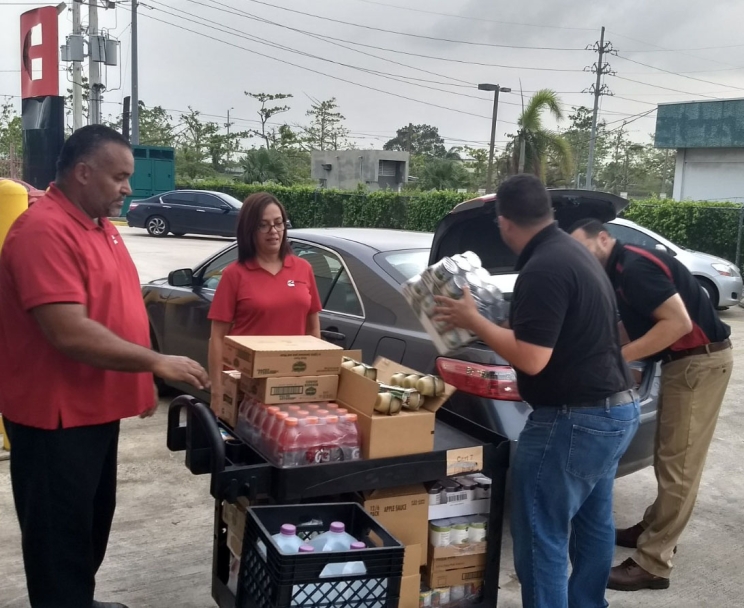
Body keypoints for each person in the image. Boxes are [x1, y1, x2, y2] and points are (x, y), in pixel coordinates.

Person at [0, 125, 210, 608]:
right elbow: (68, 331)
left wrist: (134, 387)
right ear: (82, 172)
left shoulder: (95, 227)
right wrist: (156, 361)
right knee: (59, 541)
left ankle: (78, 599)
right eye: (119, 177)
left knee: (90, 525)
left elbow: (112, 307)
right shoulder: (44, 230)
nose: (128, 189)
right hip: (56, 420)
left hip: (93, 411)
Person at [434, 174, 639, 608]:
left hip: (573, 421)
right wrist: (494, 321)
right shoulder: (572, 254)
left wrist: (474, 322)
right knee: (592, 524)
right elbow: (547, 335)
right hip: (614, 412)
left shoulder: (543, 267)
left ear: (504, 222)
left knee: (539, 535)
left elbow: (531, 359)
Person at [570, 219, 733, 591]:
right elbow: (637, 325)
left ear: (604, 238)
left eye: (585, 247)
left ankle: (653, 563)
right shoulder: (620, 274)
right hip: (686, 364)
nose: (581, 257)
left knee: (680, 466)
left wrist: (619, 357)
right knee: (669, 456)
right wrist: (598, 346)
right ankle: (651, 527)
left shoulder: (634, 267)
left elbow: (676, 323)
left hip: (698, 363)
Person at [207, 192, 322, 402]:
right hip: (246, 385)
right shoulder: (234, 274)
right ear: (249, 230)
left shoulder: (303, 269)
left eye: (279, 223)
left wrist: (312, 376)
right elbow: (217, 338)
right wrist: (217, 389)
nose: (274, 232)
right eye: (264, 225)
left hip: (289, 382)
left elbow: (313, 328)